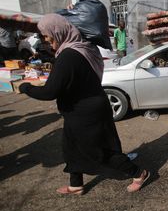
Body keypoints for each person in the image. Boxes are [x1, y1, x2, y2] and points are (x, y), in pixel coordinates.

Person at [18, 14, 149, 195]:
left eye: (47, 36)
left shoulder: (68, 56)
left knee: (98, 152)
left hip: (86, 114)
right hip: (84, 109)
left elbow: (49, 92)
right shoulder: (83, 48)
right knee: (71, 148)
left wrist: (24, 87)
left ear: (59, 32)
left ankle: (138, 172)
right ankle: (76, 185)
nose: (46, 41)